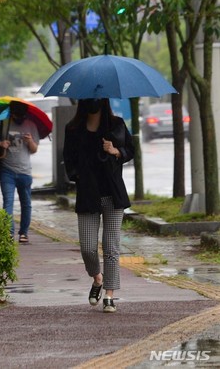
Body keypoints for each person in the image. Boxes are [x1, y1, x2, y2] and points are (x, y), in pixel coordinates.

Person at [63, 98, 134, 313]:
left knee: (111, 248)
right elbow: (68, 159)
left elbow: (130, 150)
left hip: (113, 194)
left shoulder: (116, 124)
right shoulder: (73, 128)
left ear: (103, 100)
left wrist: (116, 151)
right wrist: (80, 175)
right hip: (87, 195)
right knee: (88, 248)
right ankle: (97, 279)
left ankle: (110, 295)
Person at [0, 101, 39, 243]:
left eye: (22, 115)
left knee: (26, 203)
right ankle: (9, 232)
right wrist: (0, 144)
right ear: (11, 113)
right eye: (17, 115)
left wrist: (29, 141)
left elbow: (34, 149)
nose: (19, 118)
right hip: (7, 170)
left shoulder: (31, 125)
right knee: (8, 202)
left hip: (25, 171)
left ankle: (24, 233)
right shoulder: (2, 124)